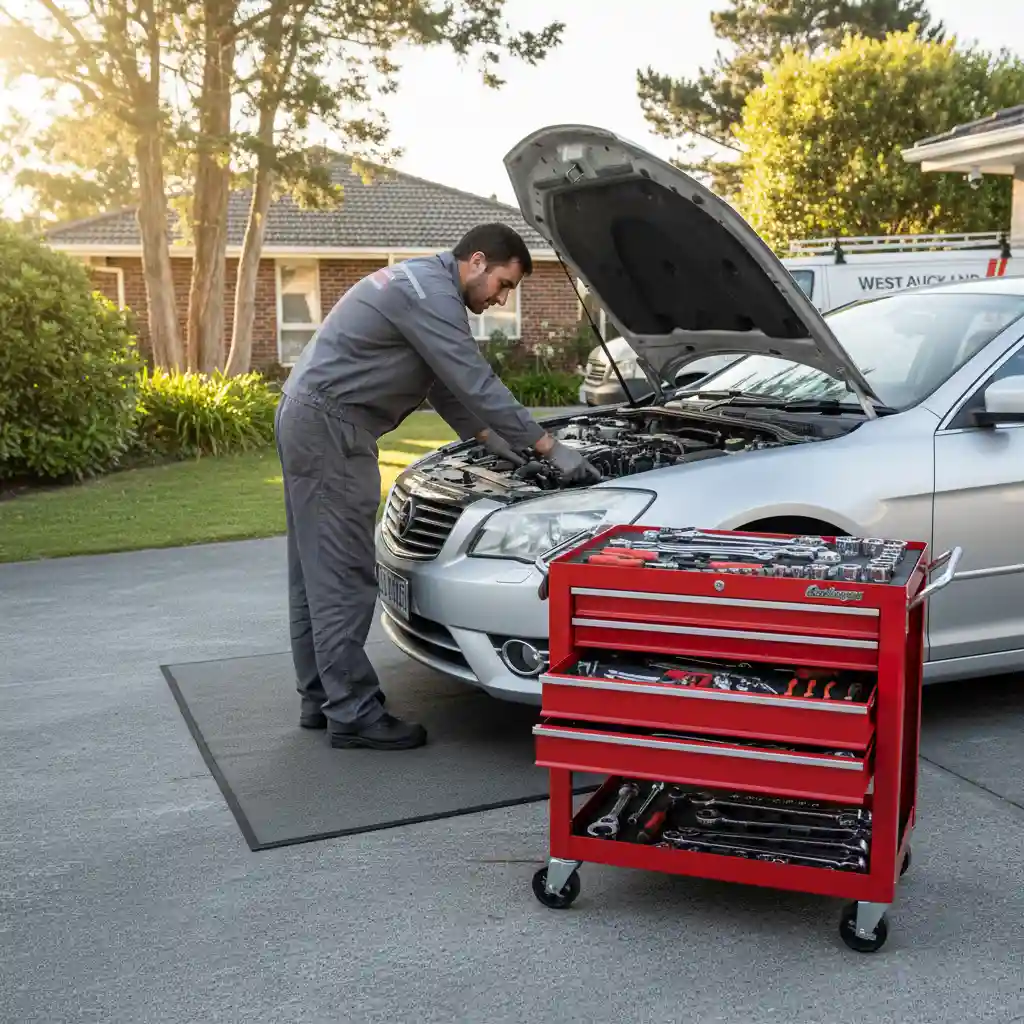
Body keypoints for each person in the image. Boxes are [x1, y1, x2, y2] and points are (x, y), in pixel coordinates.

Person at [274, 223, 601, 752]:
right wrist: (548, 448)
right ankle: (353, 713)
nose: (501, 299)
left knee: (313, 571)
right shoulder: (431, 295)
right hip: (332, 430)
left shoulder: (421, 286)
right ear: (476, 261)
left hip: (310, 419)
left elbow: (451, 394)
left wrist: (499, 445)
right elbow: (474, 380)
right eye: (503, 284)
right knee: (342, 575)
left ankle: (322, 697)